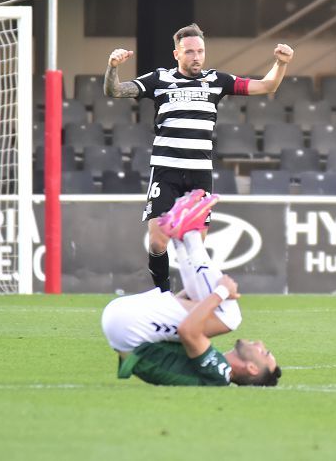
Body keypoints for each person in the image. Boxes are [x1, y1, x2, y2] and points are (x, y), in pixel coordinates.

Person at [104, 23, 294, 293]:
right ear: (176, 54)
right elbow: (114, 90)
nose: (196, 57)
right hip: (166, 171)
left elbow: (267, 85)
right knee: (158, 243)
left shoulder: (217, 81)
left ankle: (191, 303)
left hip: (199, 176)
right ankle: (163, 297)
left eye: (200, 51)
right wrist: (112, 67)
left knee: (195, 250)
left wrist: (281, 63)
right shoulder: (159, 80)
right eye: (190, 51)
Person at [101, 190, 281, 387]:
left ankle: (189, 235)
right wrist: (206, 295)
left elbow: (187, 330)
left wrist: (221, 292)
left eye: (264, 352)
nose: (260, 344)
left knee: (230, 317)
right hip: (124, 326)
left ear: (252, 369)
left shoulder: (220, 375)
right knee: (207, 305)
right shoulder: (213, 364)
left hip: (128, 329)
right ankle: (181, 237)